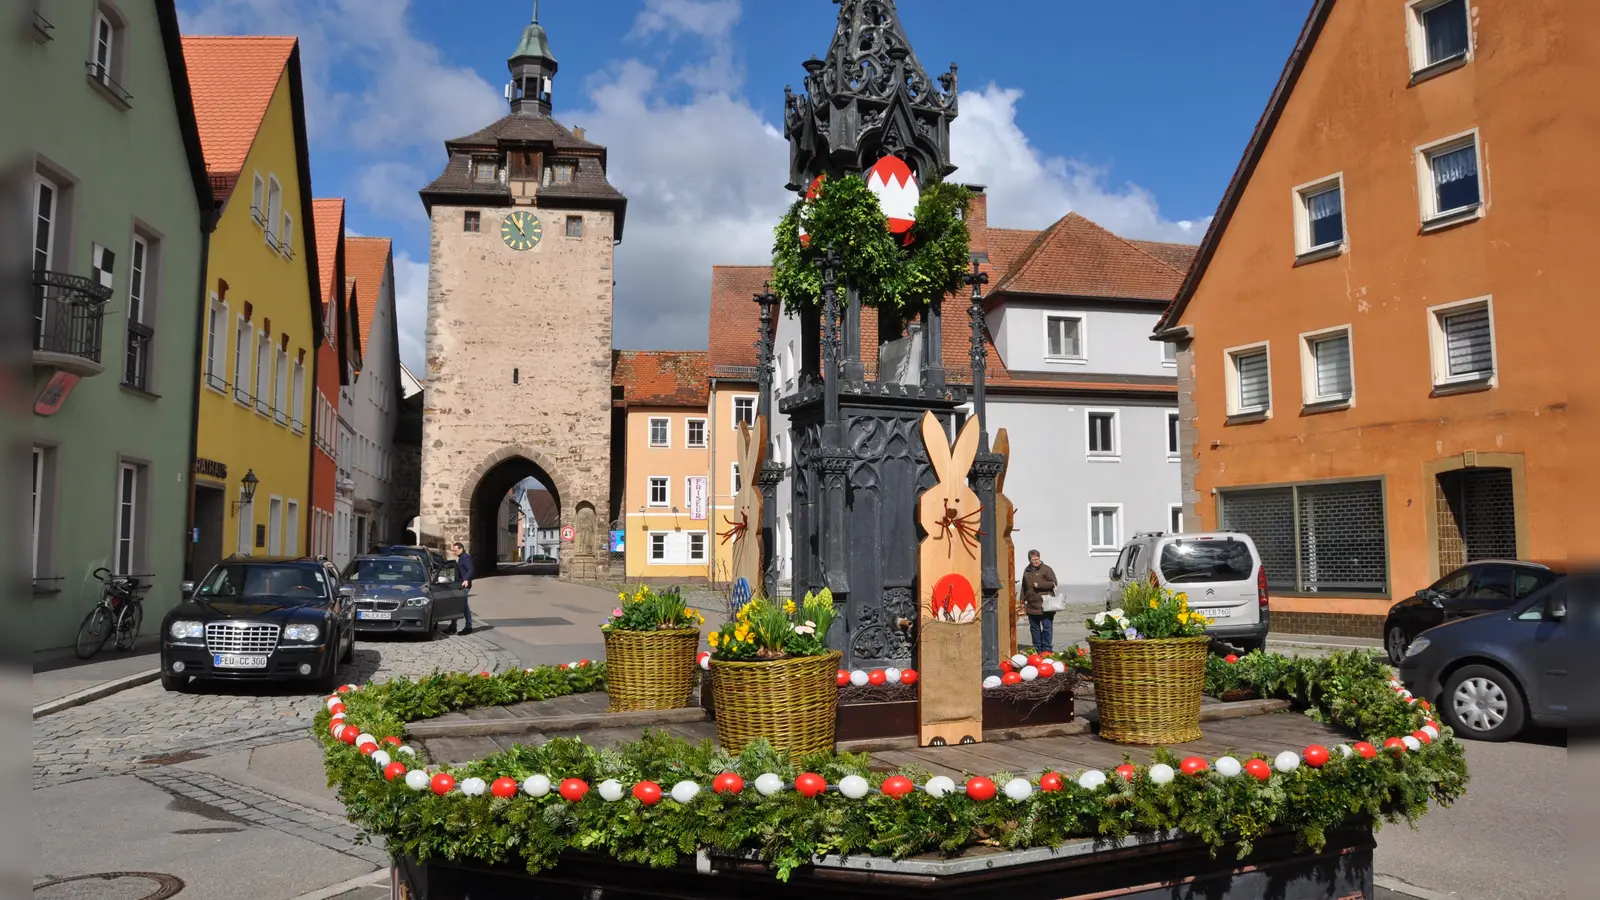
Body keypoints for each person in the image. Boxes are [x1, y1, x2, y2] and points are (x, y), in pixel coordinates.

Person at [1019, 549, 1059, 654]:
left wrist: (1040, 585)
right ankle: (1037, 648)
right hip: (1032, 605)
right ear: (1029, 560)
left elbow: (1054, 583)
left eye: (1037, 559)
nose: (1036, 561)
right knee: (1034, 628)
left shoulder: (1046, 569)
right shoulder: (1027, 571)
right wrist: (1022, 599)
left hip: (1046, 605)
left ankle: (1047, 650)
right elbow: (1024, 587)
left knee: (1046, 628)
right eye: (1033, 560)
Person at [452, 541, 475, 635]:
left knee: (464, 606)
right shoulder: (461, 558)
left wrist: (466, 579)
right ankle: (453, 626)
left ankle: (468, 626)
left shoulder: (465, 558)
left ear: (461, 549)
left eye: (455, 550)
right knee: (456, 605)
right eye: (453, 550)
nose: (454, 552)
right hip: (460, 585)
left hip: (465, 585)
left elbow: (471, 569)